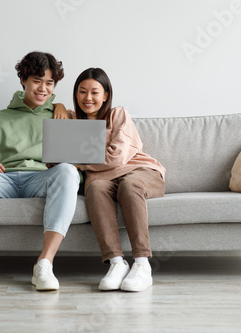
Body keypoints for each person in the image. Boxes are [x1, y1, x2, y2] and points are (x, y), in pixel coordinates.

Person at [0, 51, 80, 292]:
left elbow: (77, 167)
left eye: (50, 83)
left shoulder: (60, 116)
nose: (43, 88)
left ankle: (44, 264)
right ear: (23, 80)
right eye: (37, 80)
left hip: (40, 179)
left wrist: (62, 111)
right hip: (3, 180)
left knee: (68, 171)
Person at [72, 68, 166, 292]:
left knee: (129, 185)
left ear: (105, 95)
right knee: (93, 189)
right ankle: (116, 263)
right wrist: (56, 106)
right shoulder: (71, 120)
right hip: (103, 181)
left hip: (140, 172)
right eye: (82, 91)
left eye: (95, 92)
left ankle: (142, 264)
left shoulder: (117, 114)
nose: (88, 98)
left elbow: (117, 156)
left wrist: (80, 163)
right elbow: (54, 152)